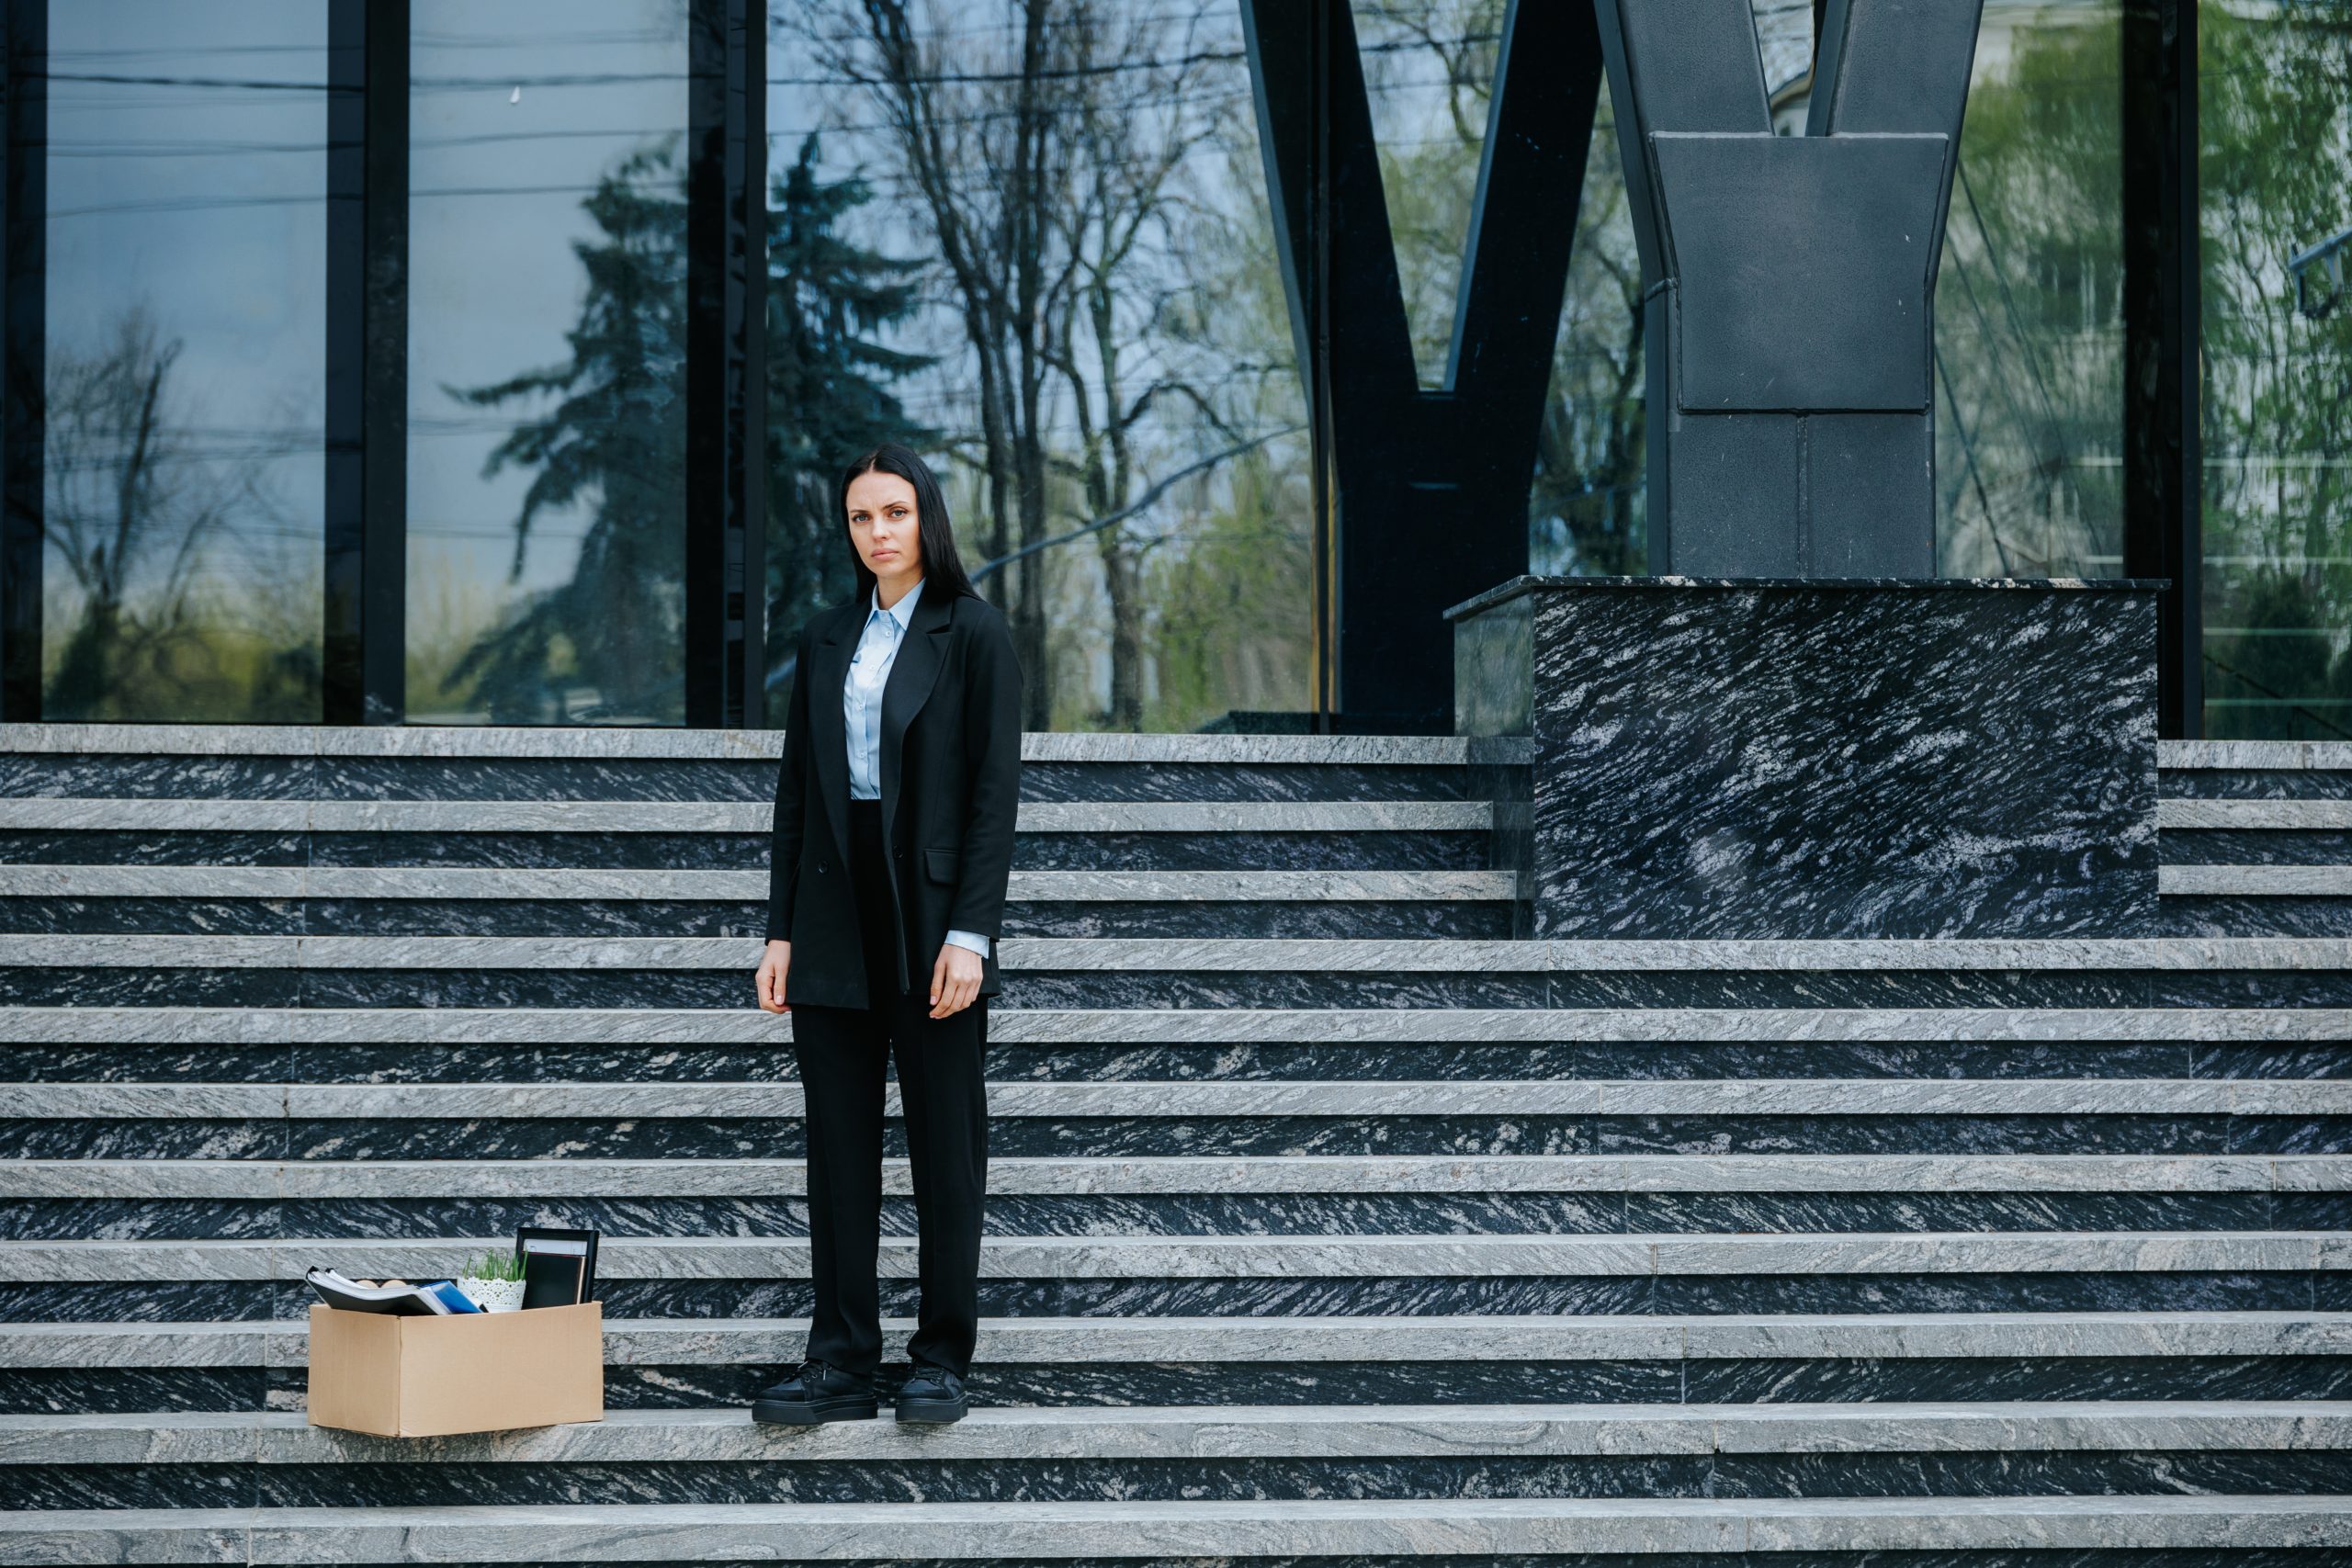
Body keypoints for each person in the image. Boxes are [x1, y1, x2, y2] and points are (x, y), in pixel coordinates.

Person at [749, 443, 1023, 1426]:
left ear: (927, 519)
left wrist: (971, 935)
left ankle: (941, 1357)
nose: (878, 534)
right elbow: (794, 799)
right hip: (831, 910)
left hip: (930, 911)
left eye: (895, 514)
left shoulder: (974, 634)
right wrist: (779, 931)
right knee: (838, 1147)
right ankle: (841, 1362)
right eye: (862, 518)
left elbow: (994, 800)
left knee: (946, 1145)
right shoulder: (828, 640)